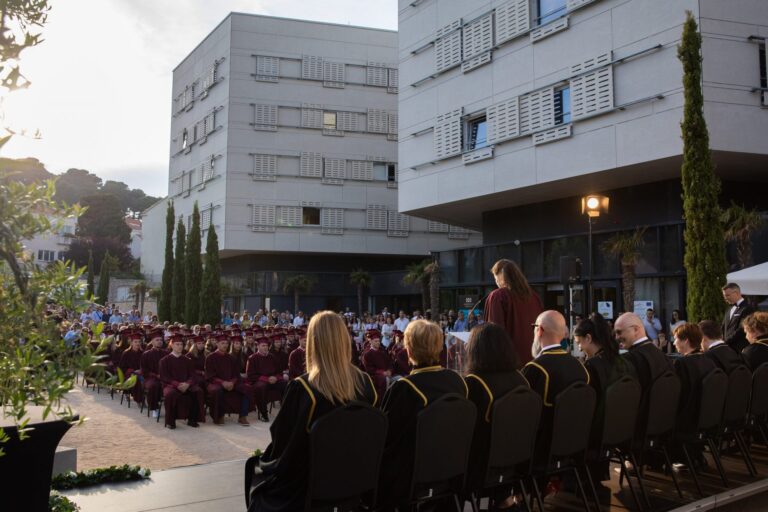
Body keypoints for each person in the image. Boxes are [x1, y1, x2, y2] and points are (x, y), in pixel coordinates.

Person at [248, 311, 377, 512]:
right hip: (357, 480)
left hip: (312, 487)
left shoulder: (304, 388)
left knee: (256, 472)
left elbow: (282, 443)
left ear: (313, 343)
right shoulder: (366, 384)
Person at [378, 319, 468, 509]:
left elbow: (387, 439)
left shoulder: (405, 388)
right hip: (453, 471)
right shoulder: (457, 381)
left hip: (415, 478)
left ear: (409, 350)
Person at [463, 323, 528, 503]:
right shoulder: (521, 379)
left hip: (484, 465)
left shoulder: (475, 383)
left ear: (476, 350)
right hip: (519, 459)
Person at [522, 311, 589, 464]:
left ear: (540, 330)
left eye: (534, 327)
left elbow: (524, 414)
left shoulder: (535, 368)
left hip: (542, 450)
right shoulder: (580, 367)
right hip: (575, 445)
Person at [671, 323, 716, 465]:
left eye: (676, 339)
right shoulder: (709, 361)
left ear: (686, 341)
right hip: (708, 419)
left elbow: (678, 397)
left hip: (687, 422)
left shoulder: (682, 364)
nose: (674, 342)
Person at [484, 259, 543, 366]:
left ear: (501, 276)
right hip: (534, 362)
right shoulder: (535, 297)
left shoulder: (498, 296)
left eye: (496, 278)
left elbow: (494, 334)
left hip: (509, 364)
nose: (496, 282)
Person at [205, 333, 252, 425]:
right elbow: (210, 376)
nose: (225, 345)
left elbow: (236, 374)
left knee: (247, 389)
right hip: (215, 383)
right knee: (217, 391)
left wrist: (232, 383)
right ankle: (220, 416)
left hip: (231, 382)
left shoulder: (231, 358)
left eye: (226, 343)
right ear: (217, 344)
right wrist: (223, 383)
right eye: (222, 343)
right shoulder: (210, 357)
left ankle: (242, 416)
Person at [160, 334, 204, 429]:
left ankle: (192, 420)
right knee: (170, 394)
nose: (180, 346)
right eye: (177, 344)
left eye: (181, 344)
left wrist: (188, 384)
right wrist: (177, 384)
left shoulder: (187, 360)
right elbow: (165, 377)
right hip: (170, 385)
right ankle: (170, 422)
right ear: (171, 345)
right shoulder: (164, 361)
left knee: (198, 391)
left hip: (186, 385)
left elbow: (193, 375)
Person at [247, 337, 288, 422]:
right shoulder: (252, 358)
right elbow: (251, 375)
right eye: (263, 345)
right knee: (261, 387)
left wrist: (275, 377)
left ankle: (286, 411)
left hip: (273, 380)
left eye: (266, 345)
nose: (265, 347)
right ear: (258, 346)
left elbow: (279, 372)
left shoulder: (272, 357)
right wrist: (266, 379)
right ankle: (263, 413)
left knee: (286, 384)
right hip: (260, 381)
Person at [141, 328, 169, 418]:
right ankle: (154, 408)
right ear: (152, 342)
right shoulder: (146, 354)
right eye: (157, 340)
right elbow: (144, 370)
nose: (159, 342)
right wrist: (156, 375)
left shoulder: (166, 353)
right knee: (153, 386)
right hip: (151, 378)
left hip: (165, 377)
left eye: (161, 340)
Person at [722, 283, 756, 354]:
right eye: (724, 296)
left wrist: (726, 341)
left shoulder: (747, 308)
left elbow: (742, 329)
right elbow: (723, 326)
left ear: (736, 293)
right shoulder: (729, 309)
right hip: (727, 348)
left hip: (740, 349)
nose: (725, 298)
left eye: (727, 295)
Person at [361, 331, 392, 399]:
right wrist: (382, 372)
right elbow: (369, 369)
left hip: (387, 373)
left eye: (378, 341)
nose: (378, 342)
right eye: (376, 341)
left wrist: (389, 370)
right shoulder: (367, 354)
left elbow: (390, 362)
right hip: (375, 376)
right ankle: (384, 399)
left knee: (398, 379)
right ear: (371, 342)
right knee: (385, 380)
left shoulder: (383, 351)